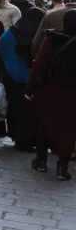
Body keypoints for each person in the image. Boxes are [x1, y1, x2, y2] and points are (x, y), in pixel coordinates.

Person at [26, 11, 76, 180]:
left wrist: (29, 88)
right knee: (69, 129)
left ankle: (41, 161)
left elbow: (38, 65)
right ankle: (62, 168)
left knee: (44, 123)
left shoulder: (52, 39)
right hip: (72, 92)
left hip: (48, 88)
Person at [0, 7, 46, 151]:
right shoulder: (33, 35)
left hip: (11, 78)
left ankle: (19, 137)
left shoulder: (11, 33)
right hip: (27, 79)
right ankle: (26, 140)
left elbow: (0, 50)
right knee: (28, 111)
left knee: (16, 109)